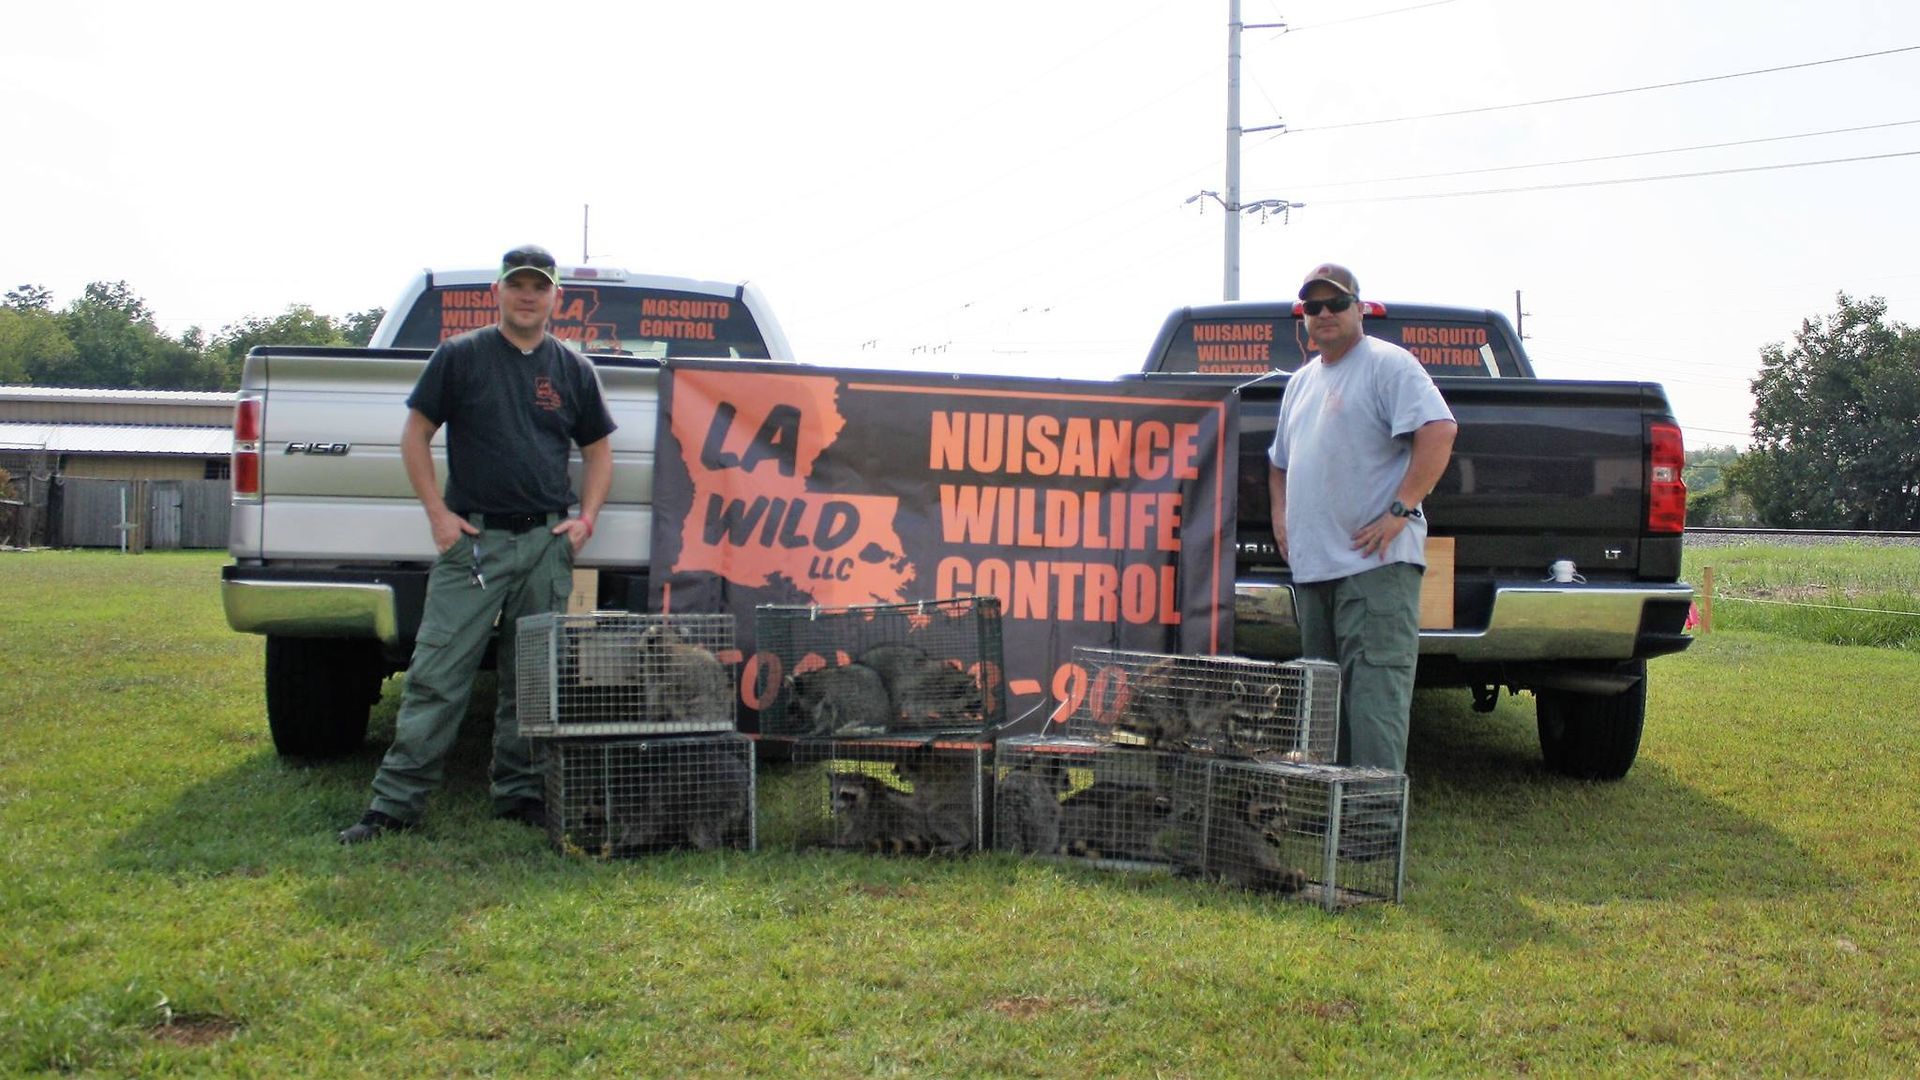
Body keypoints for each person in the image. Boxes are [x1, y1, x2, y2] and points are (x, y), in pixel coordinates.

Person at [339, 244, 616, 844]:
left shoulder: (573, 369)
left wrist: (585, 520)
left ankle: (519, 794)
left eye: (538, 287)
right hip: (473, 543)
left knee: (533, 678)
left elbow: (598, 452)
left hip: (546, 543)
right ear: (497, 291)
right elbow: (414, 437)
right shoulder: (460, 357)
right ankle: (395, 806)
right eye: (517, 284)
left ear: (554, 298)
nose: (527, 295)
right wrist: (438, 514)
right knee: (438, 673)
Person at [1267, 263, 1457, 772]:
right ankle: (1329, 812)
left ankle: (1369, 824)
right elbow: (1279, 462)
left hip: (1374, 567)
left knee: (1374, 700)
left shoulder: (1387, 364)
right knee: (1324, 707)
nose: (1324, 313)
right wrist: (1280, 519)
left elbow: (1438, 431)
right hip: (1315, 572)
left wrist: (1401, 508)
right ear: (1303, 317)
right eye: (1313, 306)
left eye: (1336, 303)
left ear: (1360, 308)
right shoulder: (1301, 382)